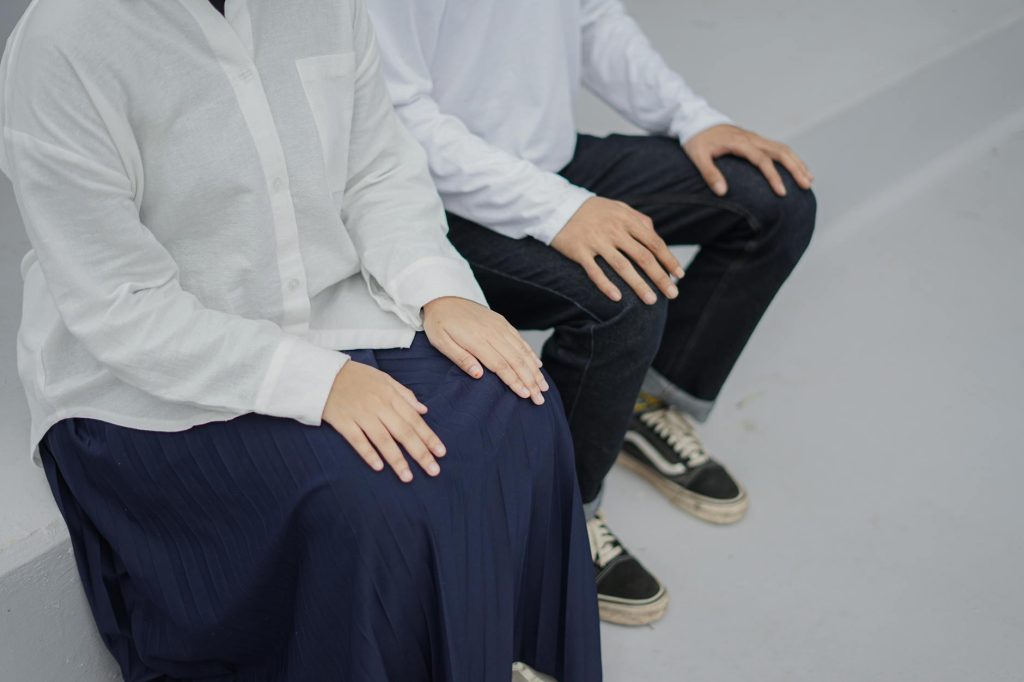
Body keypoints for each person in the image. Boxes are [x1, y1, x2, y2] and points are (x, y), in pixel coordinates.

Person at [0, 0, 601, 679]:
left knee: (521, 406)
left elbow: (378, 172)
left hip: (332, 307)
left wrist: (442, 292)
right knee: (370, 501)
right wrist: (323, 381)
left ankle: (479, 653)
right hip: (147, 377)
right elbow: (119, 303)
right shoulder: (64, 41)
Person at [366, 0, 817, 625]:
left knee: (772, 199)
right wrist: (559, 211)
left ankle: (642, 407)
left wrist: (693, 118)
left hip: (550, 160)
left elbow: (594, 18)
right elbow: (396, 117)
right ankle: (558, 521)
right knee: (621, 296)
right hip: (436, 204)